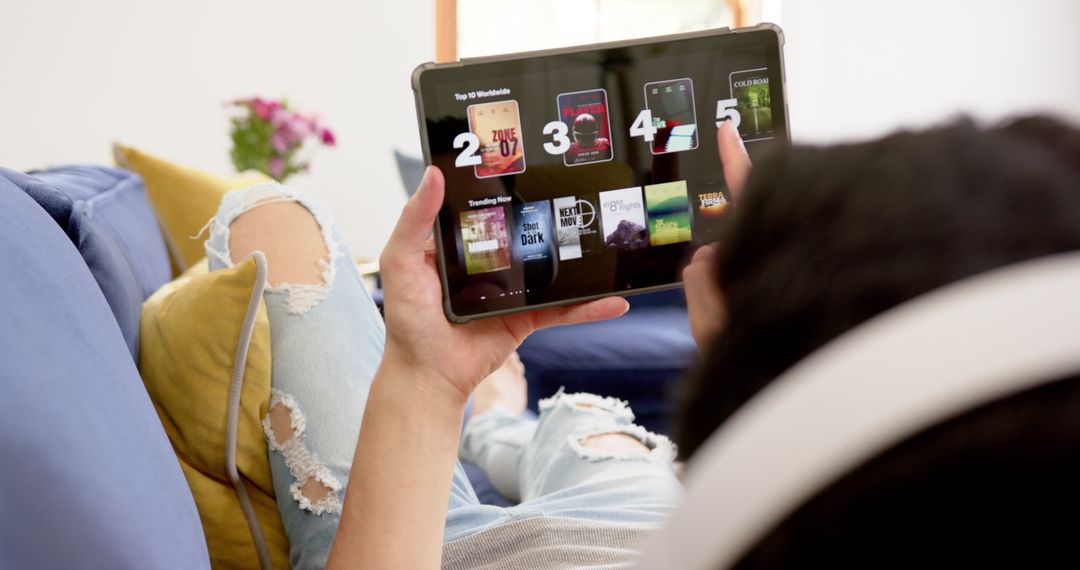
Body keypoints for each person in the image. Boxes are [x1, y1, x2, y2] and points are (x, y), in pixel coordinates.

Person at [208, 116, 1080, 568]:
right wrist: (764, 325)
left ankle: (486, 418)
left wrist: (427, 381)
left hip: (460, 544)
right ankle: (497, 424)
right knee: (584, 424)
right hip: (657, 508)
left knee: (275, 215)